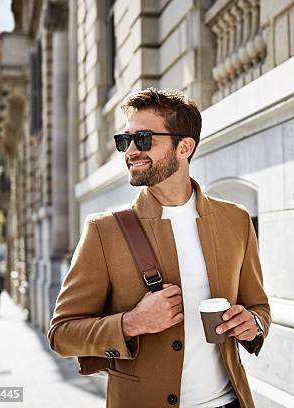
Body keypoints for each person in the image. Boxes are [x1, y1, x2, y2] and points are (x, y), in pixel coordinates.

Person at [48, 88, 270, 408]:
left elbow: (259, 306)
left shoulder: (235, 220)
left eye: (144, 139)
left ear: (185, 147)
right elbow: (62, 334)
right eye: (126, 141)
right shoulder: (103, 231)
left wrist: (253, 324)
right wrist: (132, 323)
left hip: (228, 402)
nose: (131, 151)